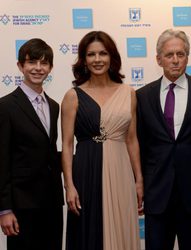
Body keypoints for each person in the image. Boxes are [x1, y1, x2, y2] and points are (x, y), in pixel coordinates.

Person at [136, 29, 191, 250]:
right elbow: (141, 145)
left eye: (180, 54)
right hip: (157, 192)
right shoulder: (142, 96)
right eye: (169, 55)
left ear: (187, 57)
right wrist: (140, 184)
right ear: (158, 59)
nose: (175, 60)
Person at [61, 30, 143, 250]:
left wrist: (139, 180)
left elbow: (132, 140)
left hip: (121, 171)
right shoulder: (73, 96)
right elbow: (67, 145)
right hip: (87, 170)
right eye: (91, 55)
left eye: (103, 53)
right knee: (89, 232)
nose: (97, 60)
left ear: (112, 57)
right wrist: (69, 185)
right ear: (84, 60)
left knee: (122, 226)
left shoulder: (129, 94)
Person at [0, 38, 64, 250]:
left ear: (50, 68)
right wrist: (5, 209)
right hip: (21, 206)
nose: (38, 68)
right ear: (20, 66)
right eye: (32, 62)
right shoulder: (6, 106)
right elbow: (2, 160)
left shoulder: (54, 106)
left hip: (52, 203)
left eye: (44, 63)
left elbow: (48, 152)